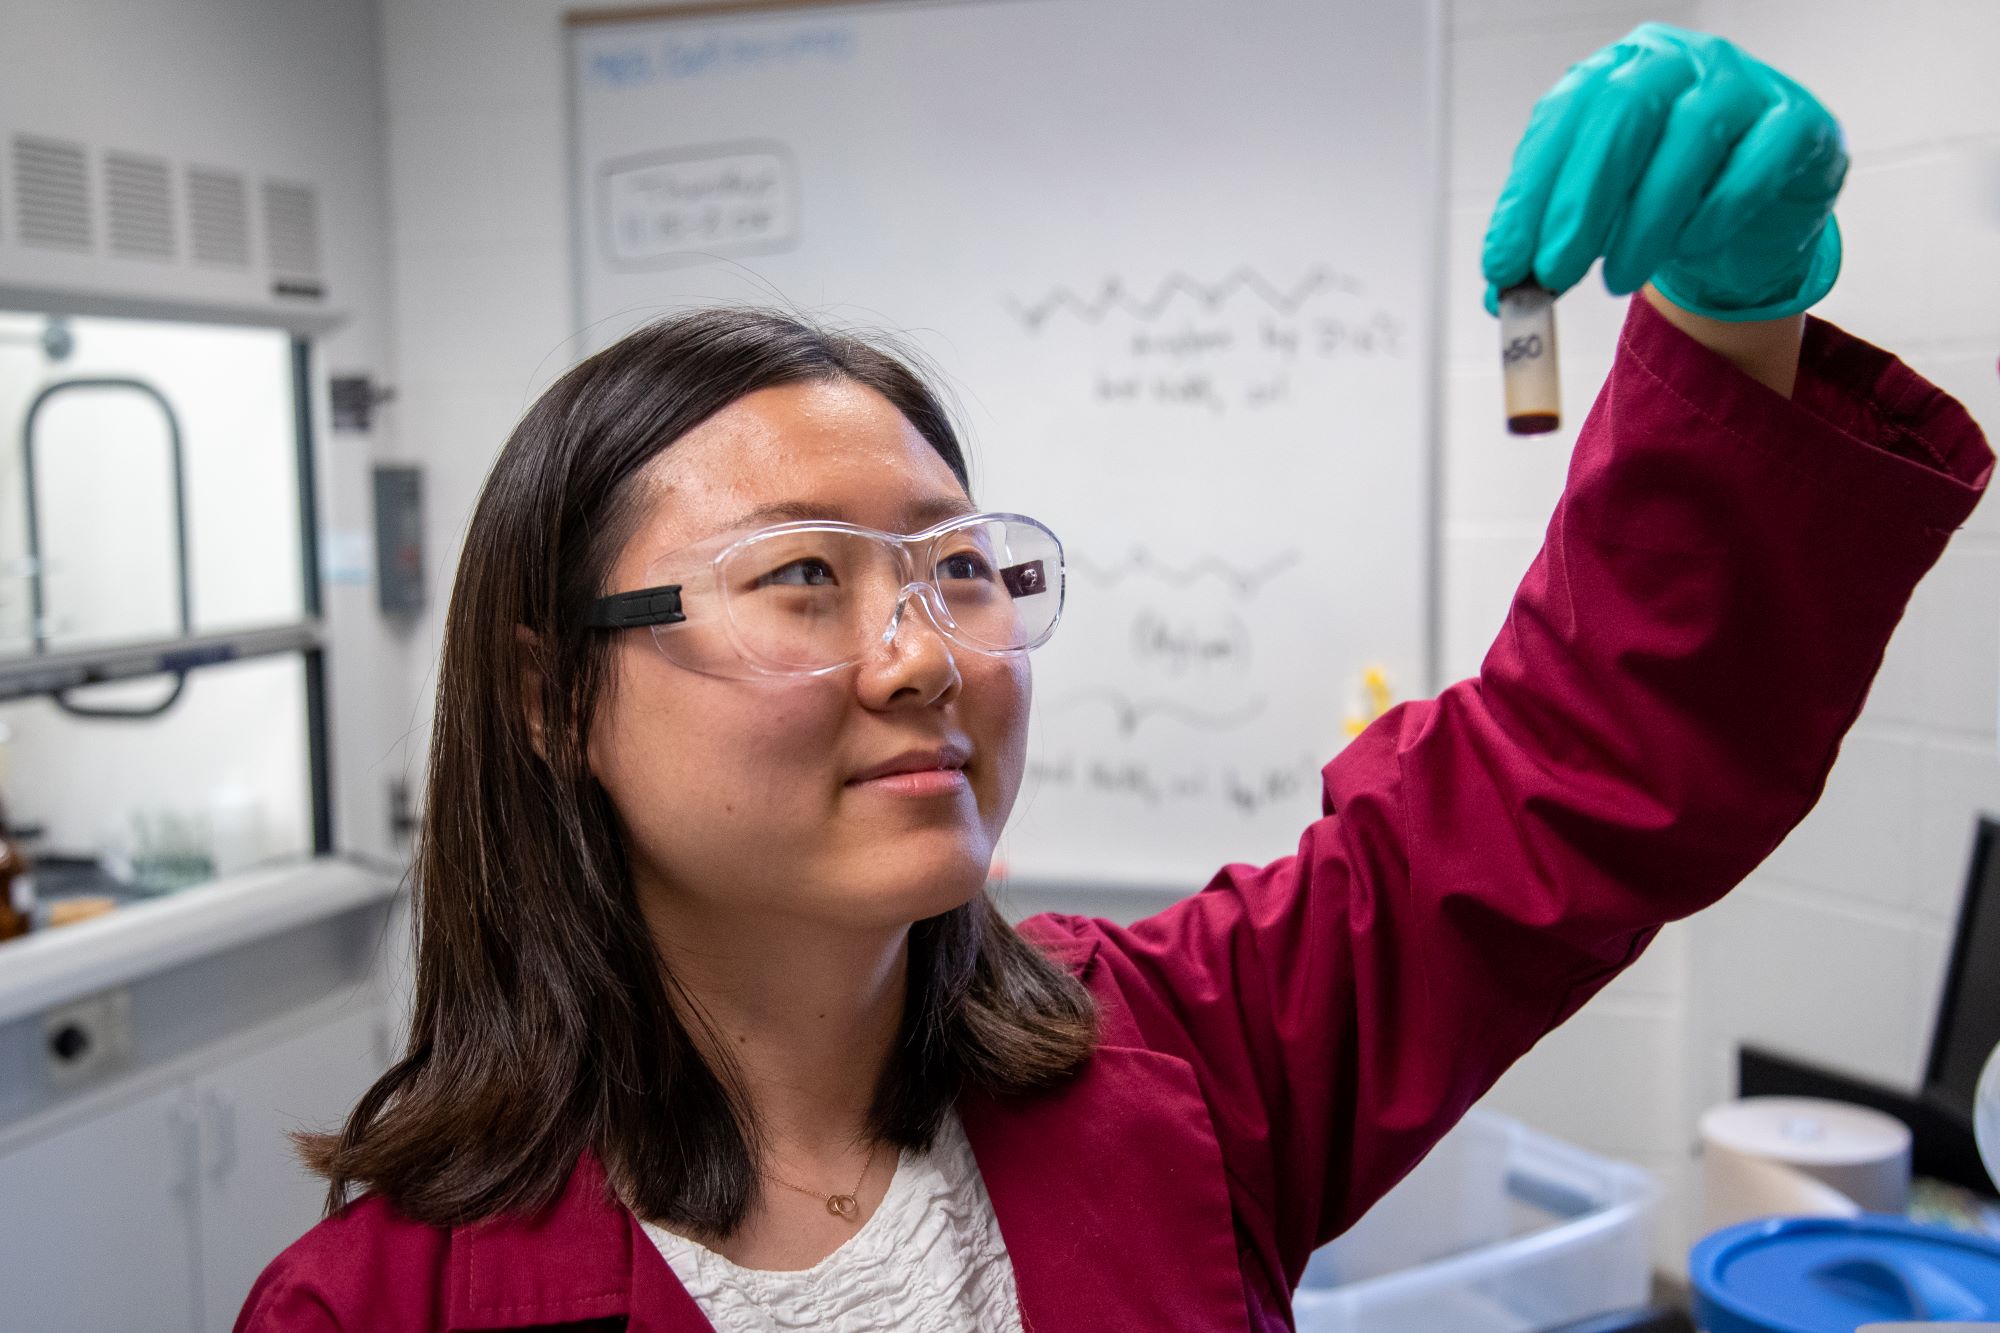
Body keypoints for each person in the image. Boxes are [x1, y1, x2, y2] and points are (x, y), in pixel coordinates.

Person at [238, 23, 1991, 1332]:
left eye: (958, 568)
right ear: (554, 698)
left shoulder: (1189, 1049)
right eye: (799, 579)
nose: (928, 656)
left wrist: (1729, 318)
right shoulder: (372, 1303)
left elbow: (1578, 766)